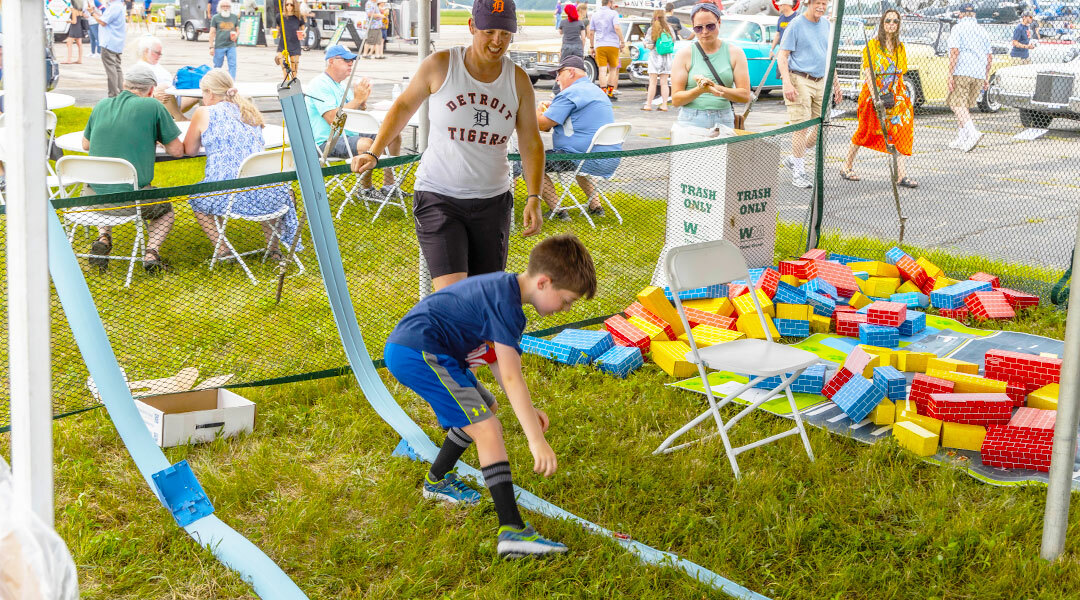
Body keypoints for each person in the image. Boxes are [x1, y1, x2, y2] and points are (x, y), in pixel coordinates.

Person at [383, 233, 595, 558]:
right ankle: (511, 531)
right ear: (544, 282)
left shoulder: (505, 291)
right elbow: (512, 377)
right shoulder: (506, 303)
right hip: (419, 353)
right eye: (566, 300)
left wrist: (530, 408)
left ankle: (436, 480)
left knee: (487, 408)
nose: (565, 308)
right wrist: (535, 439)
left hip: (428, 350)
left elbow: (497, 361)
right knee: (487, 428)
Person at [349, 0, 546, 292]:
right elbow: (403, 106)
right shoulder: (441, 65)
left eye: (505, 33)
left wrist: (534, 197)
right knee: (454, 297)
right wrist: (373, 151)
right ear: (471, 27)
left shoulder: (517, 80)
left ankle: (481, 340)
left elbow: (531, 141)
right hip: (439, 197)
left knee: (483, 294)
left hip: (492, 202)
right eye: (489, 31)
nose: (497, 41)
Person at [182, 69, 301, 260]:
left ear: (210, 93)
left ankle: (222, 250)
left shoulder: (203, 112)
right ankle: (273, 249)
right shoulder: (249, 111)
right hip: (270, 193)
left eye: (203, 93)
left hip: (229, 194)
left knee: (197, 197)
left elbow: (189, 150)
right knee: (260, 186)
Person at [80, 64, 183, 274]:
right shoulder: (152, 106)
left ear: (124, 85)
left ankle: (104, 238)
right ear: (151, 90)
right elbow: (177, 150)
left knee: (105, 184)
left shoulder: (101, 105)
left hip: (91, 200)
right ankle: (151, 253)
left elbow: (85, 144)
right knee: (166, 210)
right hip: (132, 202)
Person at [306, 44, 402, 197]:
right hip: (326, 140)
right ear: (331, 61)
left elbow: (352, 114)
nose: (350, 64)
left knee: (392, 135)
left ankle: (389, 186)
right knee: (366, 144)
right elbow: (332, 119)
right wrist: (357, 99)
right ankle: (365, 190)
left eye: (352, 60)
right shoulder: (319, 84)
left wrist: (362, 104)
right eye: (345, 60)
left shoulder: (342, 86)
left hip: (348, 135)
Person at [535, 55, 622, 219]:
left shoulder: (570, 93)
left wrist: (539, 109)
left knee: (531, 163)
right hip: (609, 158)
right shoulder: (597, 91)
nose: (557, 79)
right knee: (581, 168)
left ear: (571, 72)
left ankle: (558, 211)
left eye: (558, 74)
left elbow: (543, 125)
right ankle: (596, 207)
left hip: (580, 157)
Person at [841, 9, 917, 188]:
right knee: (864, 131)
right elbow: (868, 72)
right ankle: (846, 166)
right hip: (873, 95)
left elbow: (900, 74)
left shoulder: (900, 47)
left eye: (895, 21)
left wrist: (902, 97)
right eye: (888, 20)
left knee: (901, 129)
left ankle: (901, 175)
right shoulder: (873, 45)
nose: (892, 24)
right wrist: (876, 98)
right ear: (882, 23)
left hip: (893, 95)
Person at [777, 0, 841, 188]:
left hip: (821, 80)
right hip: (799, 79)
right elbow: (783, 55)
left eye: (824, 3)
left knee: (823, 125)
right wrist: (787, 82)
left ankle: (794, 157)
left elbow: (829, 57)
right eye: (818, 3)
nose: (821, 7)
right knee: (801, 127)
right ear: (808, 3)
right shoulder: (796, 24)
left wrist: (836, 84)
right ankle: (798, 173)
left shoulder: (827, 25)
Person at [671, 3, 751, 129]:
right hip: (691, 119)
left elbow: (744, 95)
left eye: (710, 26)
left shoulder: (735, 53)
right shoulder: (684, 55)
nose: (704, 32)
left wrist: (714, 88)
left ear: (719, 22)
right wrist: (700, 90)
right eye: (698, 28)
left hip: (724, 118)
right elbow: (676, 100)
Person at [946, 2, 991, 152]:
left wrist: (950, 73)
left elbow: (954, 51)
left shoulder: (958, 28)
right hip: (978, 71)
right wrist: (986, 76)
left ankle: (972, 132)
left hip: (962, 70)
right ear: (974, 14)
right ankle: (962, 136)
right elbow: (989, 56)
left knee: (956, 104)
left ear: (960, 14)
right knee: (964, 105)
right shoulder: (982, 30)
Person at [135, 36, 201, 121]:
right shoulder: (140, 69)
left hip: (175, 97)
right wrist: (153, 95)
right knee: (164, 88)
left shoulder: (155, 64)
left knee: (205, 88)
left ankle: (208, 120)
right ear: (146, 51)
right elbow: (137, 94)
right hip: (162, 102)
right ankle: (179, 118)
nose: (159, 56)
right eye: (157, 53)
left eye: (160, 53)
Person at [588, 0, 625, 99]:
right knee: (613, 70)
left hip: (600, 44)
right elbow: (616, 27)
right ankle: (610, 93)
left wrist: (591, 46)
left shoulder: (595, 15)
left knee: (602, 70)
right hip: (612, 44)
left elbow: (591, 33)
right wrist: (622, 41)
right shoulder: (614, 13)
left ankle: (603, 93)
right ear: (609, 2)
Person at [89, 0, 127, 97]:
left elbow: (103, 22)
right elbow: (105, 18)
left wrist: (92, 13)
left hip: (109, 42)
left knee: (111, 70)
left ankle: (113, 94)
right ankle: (120, 92)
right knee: (117, 68)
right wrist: (95, 12)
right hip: (116, 42)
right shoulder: (118, 5)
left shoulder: (115, 6)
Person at [643, 8, 676, 111]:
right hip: (666, 58)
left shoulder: (652, 29)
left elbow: (650, 46)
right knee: (664, 82)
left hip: (655, 58)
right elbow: (673, 41)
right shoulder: (669, 28)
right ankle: (664, 105)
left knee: (652, 82)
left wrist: (645, 44)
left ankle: (648, 105)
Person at [209, 0, 239, 79]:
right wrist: (211, 47)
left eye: (227, 6)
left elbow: (237, 30)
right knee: (217, 66)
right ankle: (215, 81)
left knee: (233, 64)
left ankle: (232, 82)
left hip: (231, 45)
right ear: (220, 7)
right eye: (223, 6)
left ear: (230, 7)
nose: (225, 8)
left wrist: (236, 35)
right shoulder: (215, 18)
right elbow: (212, 32)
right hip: (219, 45)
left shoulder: (234, 17)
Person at [275, 0, 304, 79]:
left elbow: (303, 31)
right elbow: (277, 32)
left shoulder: (298, 18)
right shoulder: (279, 16)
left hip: (295, 45)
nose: (289, 6)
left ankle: (293, 88)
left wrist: (303, 34)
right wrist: (274, 32)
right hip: (282, 46)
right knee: (285, 71)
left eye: (291, 4)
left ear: (295, 5)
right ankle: (287, 87)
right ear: (284, 5)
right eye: (287, 4)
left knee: (294, 72)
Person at [64, 0, 88, 65]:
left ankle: (69, 60)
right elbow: (85, 17)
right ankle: (80, 59)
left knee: (69, 44)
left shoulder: (74, 10)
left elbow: (74, 21)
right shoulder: (80, 11)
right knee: (79, 44)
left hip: (74, 28)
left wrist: (68, 21)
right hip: (79, 28)